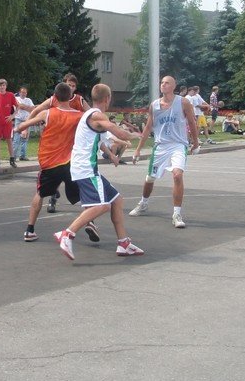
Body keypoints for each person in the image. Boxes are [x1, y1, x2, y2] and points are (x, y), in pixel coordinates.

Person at [53, 83, 142, 261]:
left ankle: (123, 243)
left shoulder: (92, 116)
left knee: (116, 200)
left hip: (85, 167)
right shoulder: (96, 116)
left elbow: (101, 141)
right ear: (107, 99)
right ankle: (67, 234)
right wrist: (138, 135)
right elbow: (120, 133)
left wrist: (111, 155)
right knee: (102, 205)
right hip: (85, 169)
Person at [14, 83, 86, 242]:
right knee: (82, 193)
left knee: (40, 194)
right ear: (70, 96)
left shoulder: (47, 113)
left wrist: (20, 129)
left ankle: (29, 230)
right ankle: (90, 221)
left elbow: (22, 125)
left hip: (49, 163)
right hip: (68, 162)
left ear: (54, 97)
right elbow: (94, 122)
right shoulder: (78, 116)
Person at [128, 75, 200, 228]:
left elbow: (192, 122)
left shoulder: (183, 102)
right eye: (162, 82)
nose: (163, 85)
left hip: (178, 145)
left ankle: (176, 214)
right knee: (150, 178)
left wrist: (195, 142)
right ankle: (143, 203)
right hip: (160, 146)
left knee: (177, 174)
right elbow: (148, 128)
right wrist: (138, 150)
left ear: (174, 86)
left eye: (167, 83)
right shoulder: (154, 105)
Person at [0, 78, 19, 168]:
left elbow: (18, 106)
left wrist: (12, 116)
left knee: (9, 140)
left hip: (7, 121)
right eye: (0, 85)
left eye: (3, 85)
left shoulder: (10, 95)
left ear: (6, 86)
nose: (2, 87)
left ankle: (12, 160)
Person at [11, 86, 34, 161]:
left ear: (26, 93)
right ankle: (13, 156)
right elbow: (19, 106)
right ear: (19, 92)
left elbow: (33, 109)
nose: (23, 94)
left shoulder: (29, 100)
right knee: (16, 139)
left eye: (25, 92)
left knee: (25, 139)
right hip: (18, 119)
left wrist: (25, 107)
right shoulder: (16, 98)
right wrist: (27, 108)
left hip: (27, 120)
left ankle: (23, 156)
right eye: (22, 92)